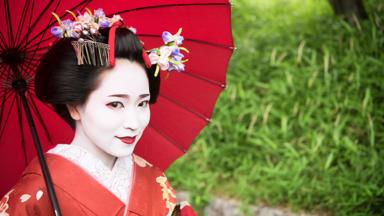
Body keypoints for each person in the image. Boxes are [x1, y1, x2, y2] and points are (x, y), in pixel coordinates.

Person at [0, 9, 196, 216]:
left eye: (142, 103)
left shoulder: (151, 178)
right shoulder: (39, 188)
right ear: (74, 107)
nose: (134, 123)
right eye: (115, 104)